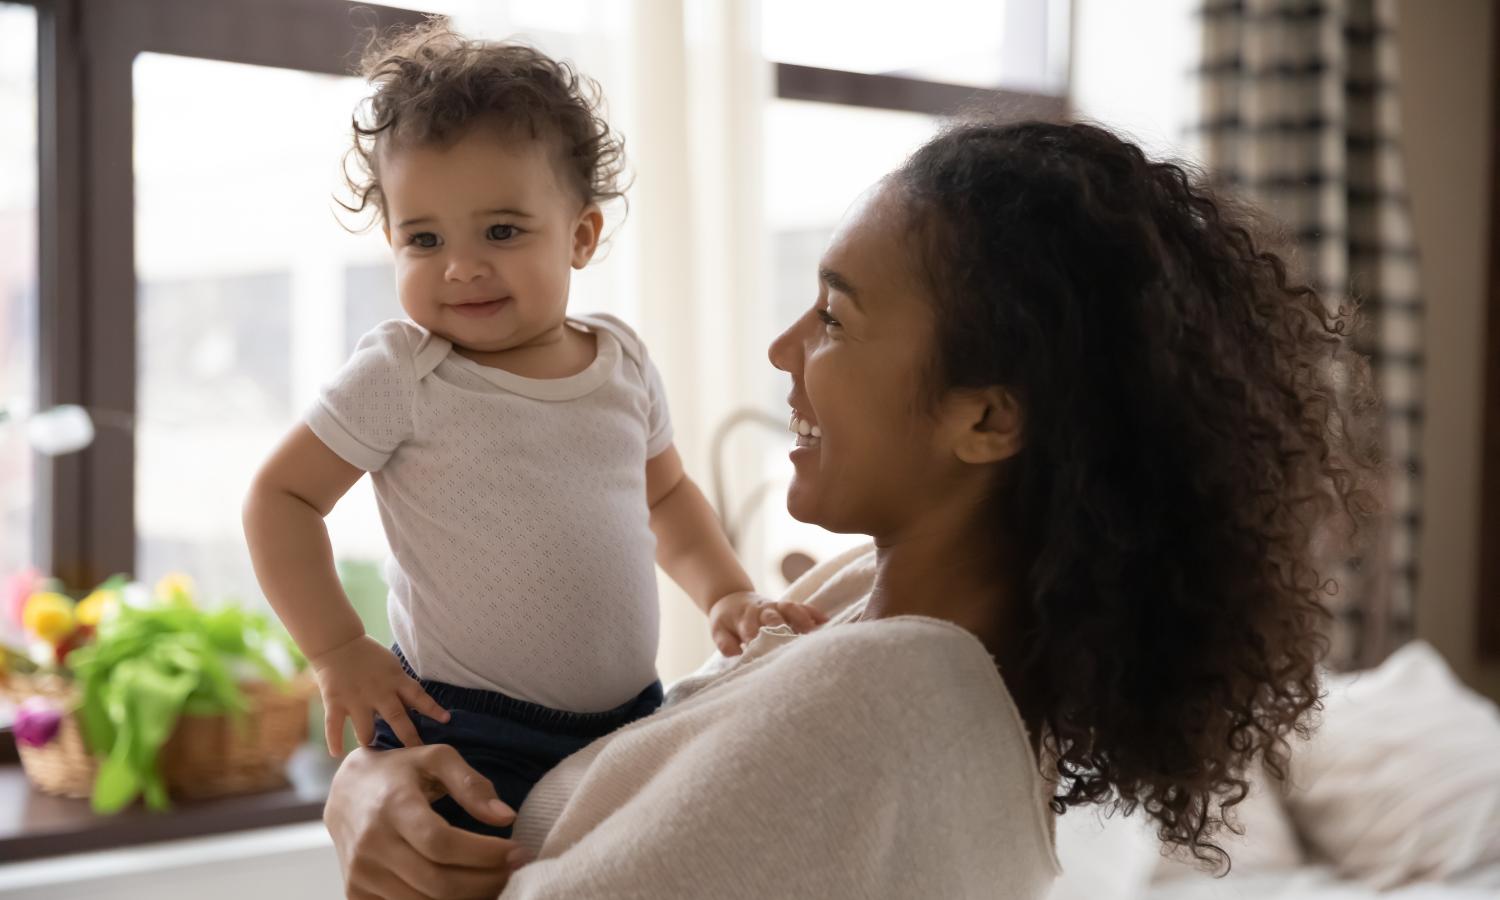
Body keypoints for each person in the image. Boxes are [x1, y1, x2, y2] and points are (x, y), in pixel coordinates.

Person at [323, 119, 1380, 900]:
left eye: (835, 315)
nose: (784, 350)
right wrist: (374, 781)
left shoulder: (898, 691)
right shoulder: (859, 613)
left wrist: (365, 821)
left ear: (988, 418)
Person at [242, 23, 825, 839]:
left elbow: (667, 496)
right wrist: (338, 649)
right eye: (425, 238)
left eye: (502, 231)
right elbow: (281, 496)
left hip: (628, 720)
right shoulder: (405, 371)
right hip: (465, 731)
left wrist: (727, 590)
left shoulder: (620, 360)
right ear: (392, 244)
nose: (460, 266)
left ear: (581, 235)